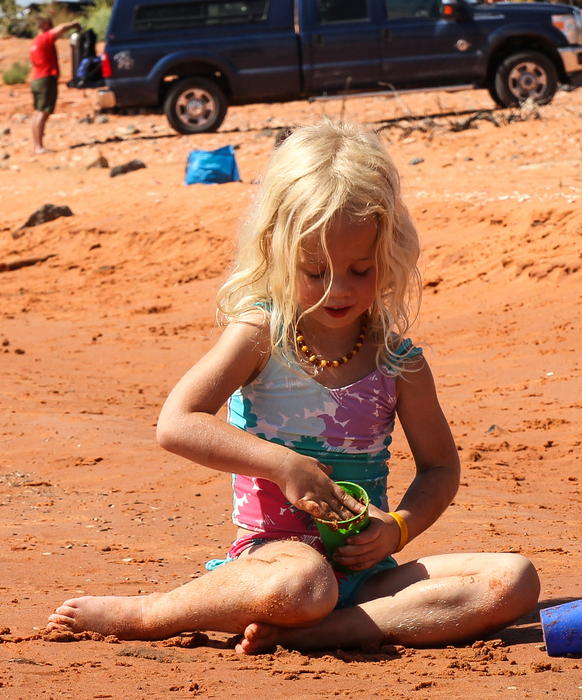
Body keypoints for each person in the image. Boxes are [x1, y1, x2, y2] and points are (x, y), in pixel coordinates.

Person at [47, 120, 540, 654]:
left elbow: (440, 469)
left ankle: (333, 631)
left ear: (389, 253)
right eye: (315, 270)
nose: (338, 289)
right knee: (306, 587)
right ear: (276, 248)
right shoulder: (262, 335)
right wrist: (284, 465)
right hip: (276, 560)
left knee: (515, 580)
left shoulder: (399, 363)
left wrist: (397, 530)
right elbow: (177, 422)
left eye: (359, 269)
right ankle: (153, 611)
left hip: (367, 575)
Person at [28, 15, 78, 154]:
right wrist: (73, 24)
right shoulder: (44, 38)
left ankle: (37, 145)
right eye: (50, 25)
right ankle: (38, 147)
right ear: (45, 25)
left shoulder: (34, 42)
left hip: (36, 79)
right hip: (45, 79)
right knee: (43, 113)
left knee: (38, 112)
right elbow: (61, 29)